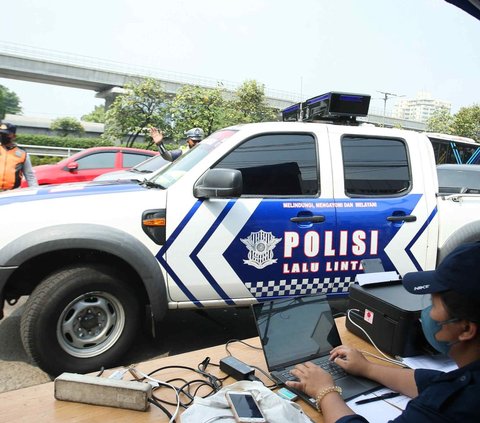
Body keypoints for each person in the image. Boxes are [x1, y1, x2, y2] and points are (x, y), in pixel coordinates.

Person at [287, 242, 480, 422]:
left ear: (465, 329)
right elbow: (434, 383)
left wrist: (325, 391)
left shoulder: (454, 406)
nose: (427, 313)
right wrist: (367, 368)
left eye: (433, 304)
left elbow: (443, 395)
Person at [0, 122, 38, 190]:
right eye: (1, 133)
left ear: (14, 136)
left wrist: (35, 191)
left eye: (6, 134)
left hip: (13, 193)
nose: (3, 135)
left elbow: (30, 176)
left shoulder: (22, 154)